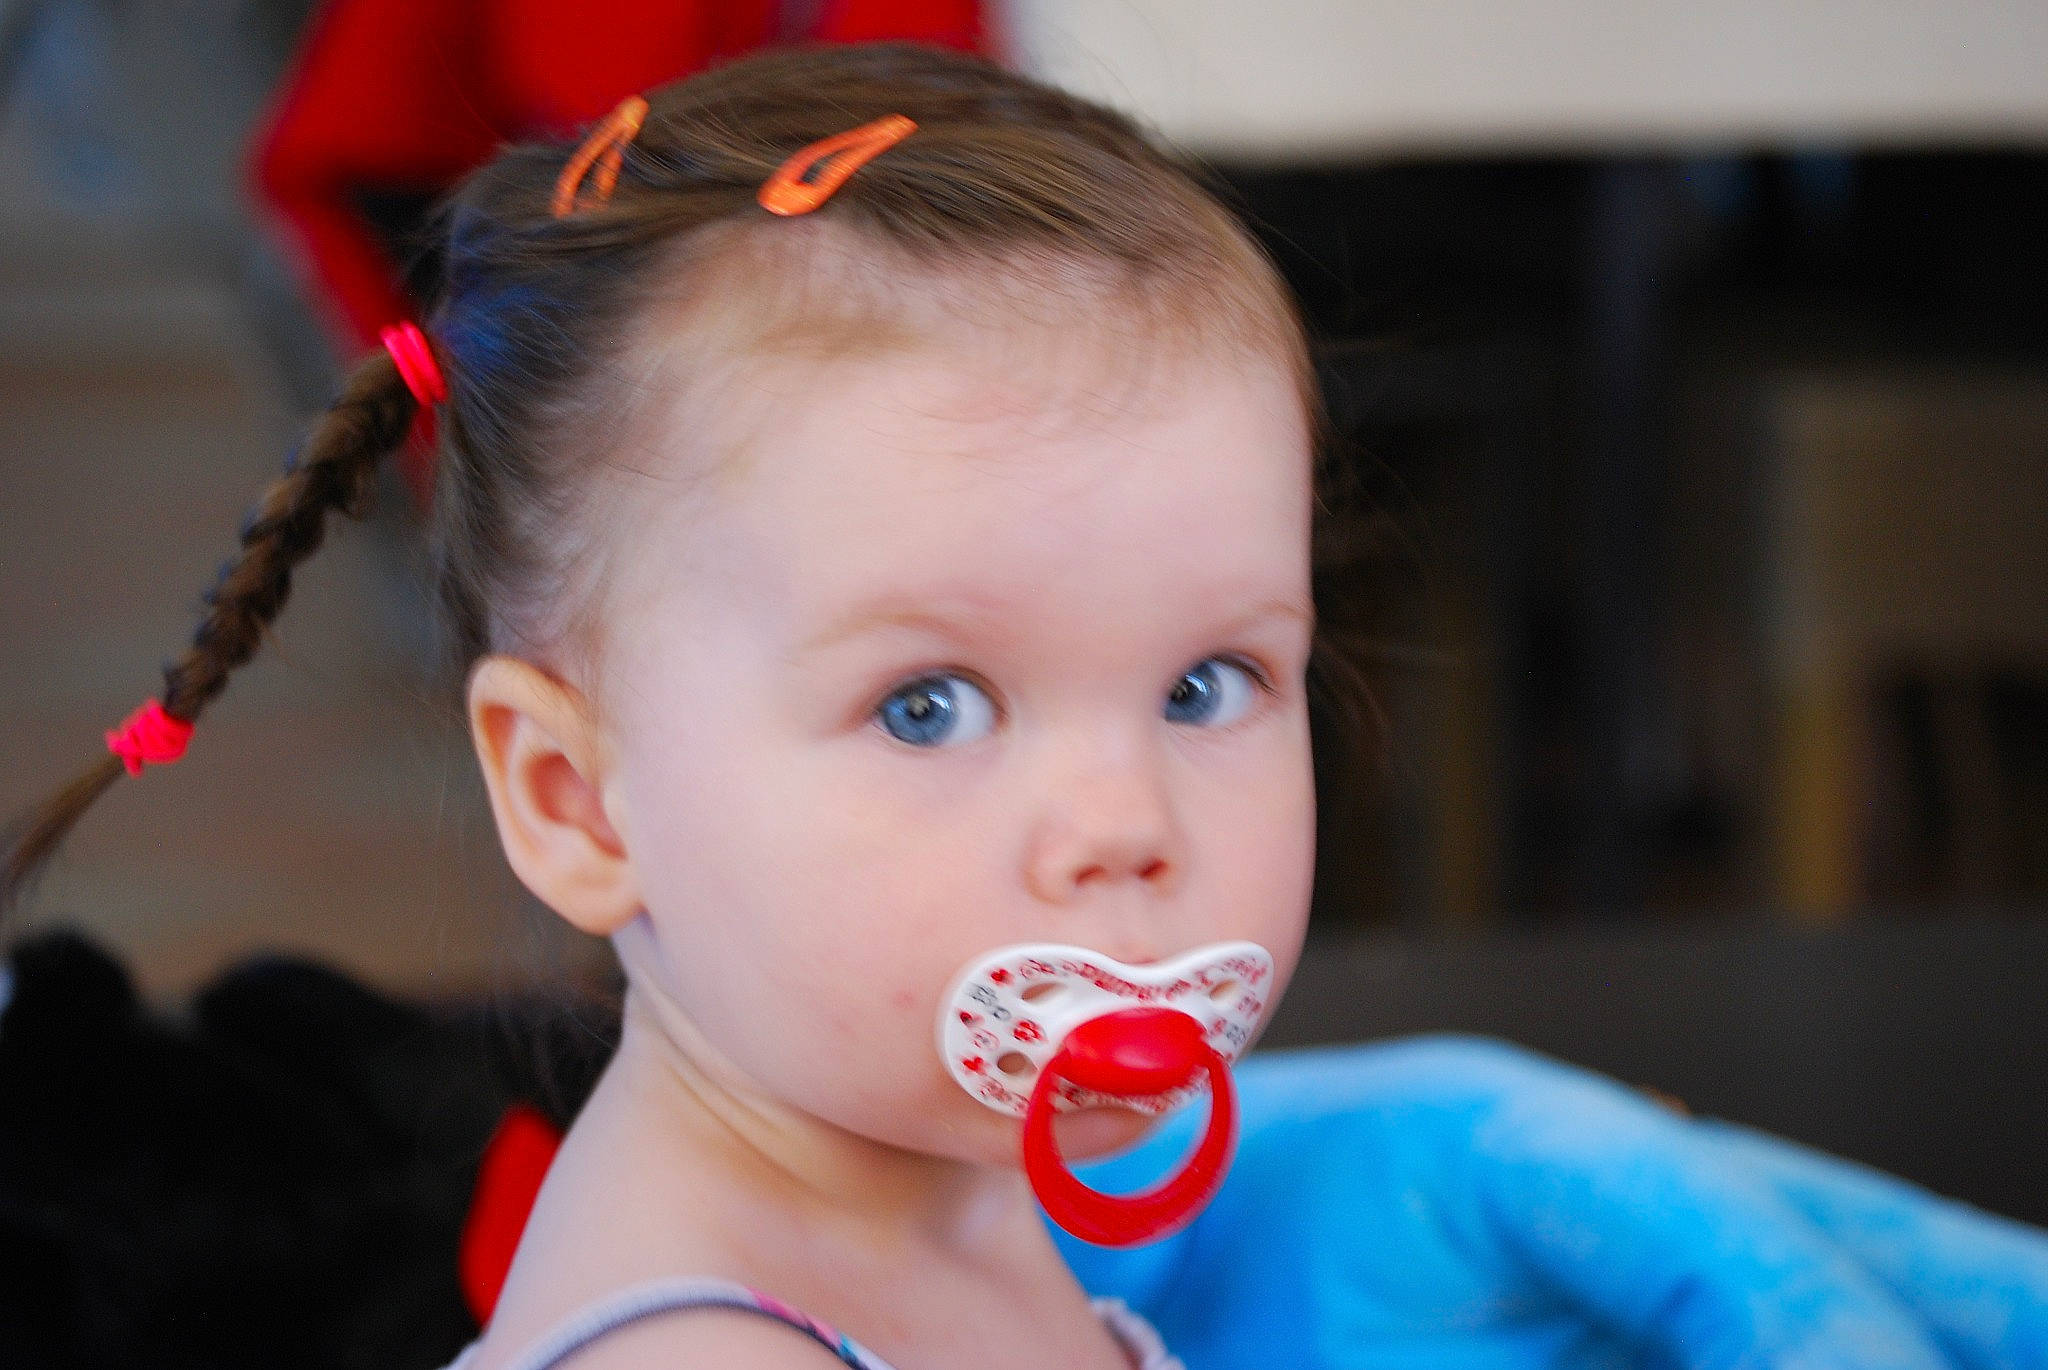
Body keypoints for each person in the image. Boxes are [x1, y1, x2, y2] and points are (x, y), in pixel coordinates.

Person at [4, 43, 2045, 1370]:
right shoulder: (702, 1349)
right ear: (578, 796)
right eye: (927, 706)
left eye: (1207, 678)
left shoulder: (954, 1187)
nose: (1121, 818)